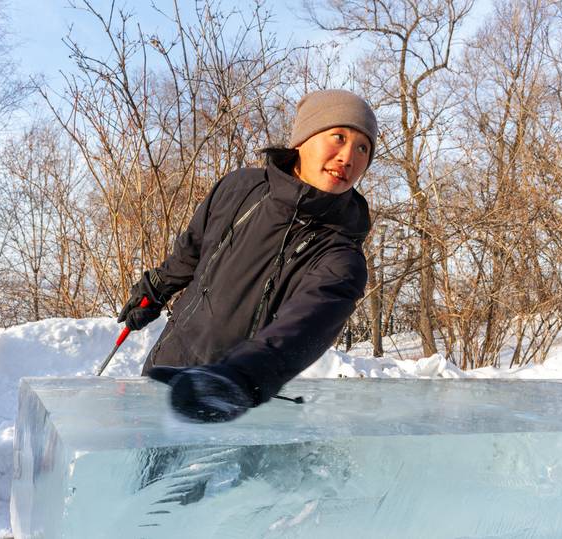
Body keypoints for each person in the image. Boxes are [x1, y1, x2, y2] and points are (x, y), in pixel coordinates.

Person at [117, 89, 376, 423]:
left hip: (235, 403)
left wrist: (241, 378)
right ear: (302, 139)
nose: (348, 157)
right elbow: (193, 249)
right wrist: (155, 289)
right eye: (338, 137)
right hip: (168, 367)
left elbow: (306, 324)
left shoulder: (339, 254)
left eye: (363, 148)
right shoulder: (240, 188)